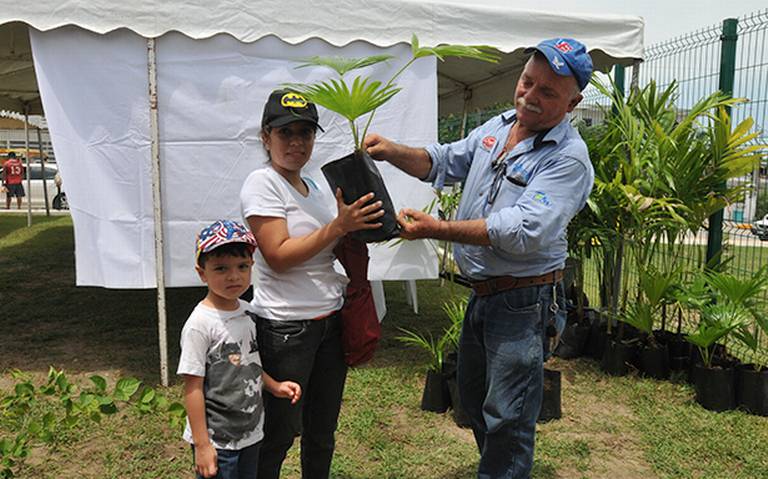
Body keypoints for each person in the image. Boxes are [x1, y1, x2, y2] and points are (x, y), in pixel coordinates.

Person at [364, 38, 595, 479]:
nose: (530, 95)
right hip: (485, 294)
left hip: (524, 299)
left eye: (548, 92)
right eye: (528, 81)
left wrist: (437, 230)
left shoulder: (567, 159)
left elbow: (523, 230)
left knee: (507, 414)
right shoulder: (499, 127)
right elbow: (446, 160)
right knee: (471, 398)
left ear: (573, 102)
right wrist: (393, 150)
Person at [240, 89, 384, 479]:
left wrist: (370, 226)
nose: (296, 142)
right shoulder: (262, 183)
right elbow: (278, 255)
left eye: (305, 132)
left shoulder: (316, 188)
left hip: (330, 324)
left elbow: (332, 245)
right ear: (265, 136)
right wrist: (338, 226)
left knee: (322, 432)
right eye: (285, 132)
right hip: (287, 329)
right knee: (278, 434)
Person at [177, 219, 303, 479]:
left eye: (242, 266)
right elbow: (192, 388)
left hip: (251, 433)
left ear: (252, 267)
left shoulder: (247, 313)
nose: (233, 276)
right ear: (202, 272)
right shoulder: (199, 325)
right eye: (221, 268)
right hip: (219, 442)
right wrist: (202, 445)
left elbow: (249, 362)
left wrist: (274, 386)